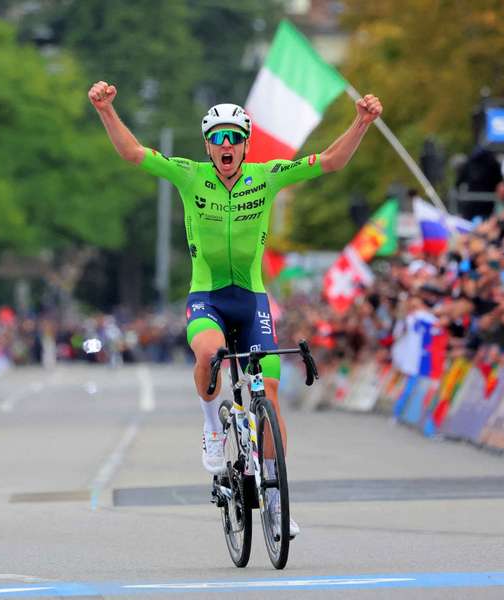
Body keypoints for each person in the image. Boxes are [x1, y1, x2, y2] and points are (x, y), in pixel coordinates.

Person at [89, 80, 382, 537]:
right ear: (208, 146)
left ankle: (278, 503)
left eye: (234, 137)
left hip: (251, 299)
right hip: (206, 295)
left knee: (269, 390)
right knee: (209, 355)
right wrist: (107, 110)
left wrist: (361, 122)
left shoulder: (267, 176)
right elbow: (133, 154)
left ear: (245, 145)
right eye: (218, 138)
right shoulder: (189, 175)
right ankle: (211, 427)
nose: (226, 145)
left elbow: (330, 161)